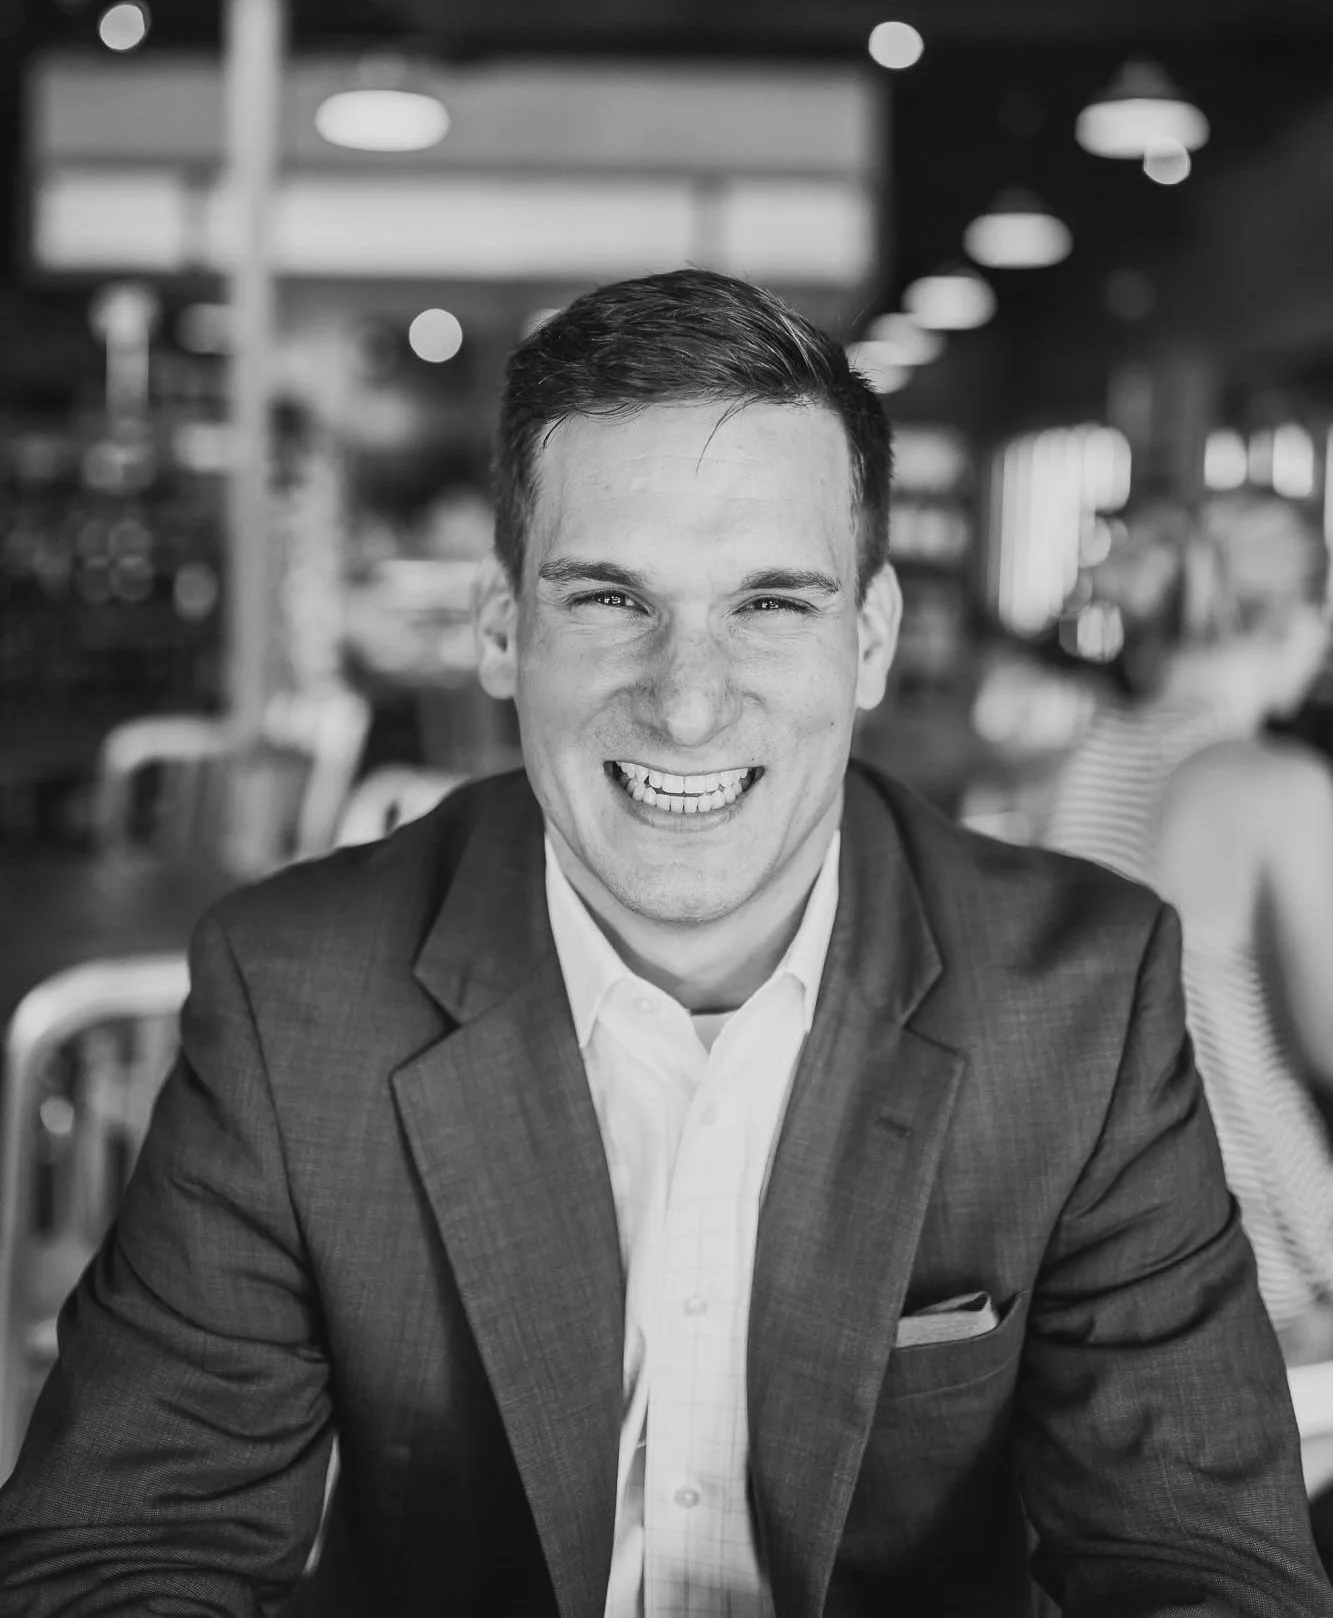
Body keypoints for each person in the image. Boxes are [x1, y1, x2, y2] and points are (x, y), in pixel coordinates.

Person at [0, 270, 1328, 1617]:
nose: (687, 703)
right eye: (609, 599)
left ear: (868, 639)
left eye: (769, 603)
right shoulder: (297, 992)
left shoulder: (1079, 997)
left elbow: (1205, 1567)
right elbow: (124, 1548)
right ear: (504, 630)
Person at [1043, 489, 1333, 1366]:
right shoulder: (1265, 783)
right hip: (1275, 1274)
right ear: (1298, 616)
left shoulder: (1088, 755)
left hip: (1123, 1246)